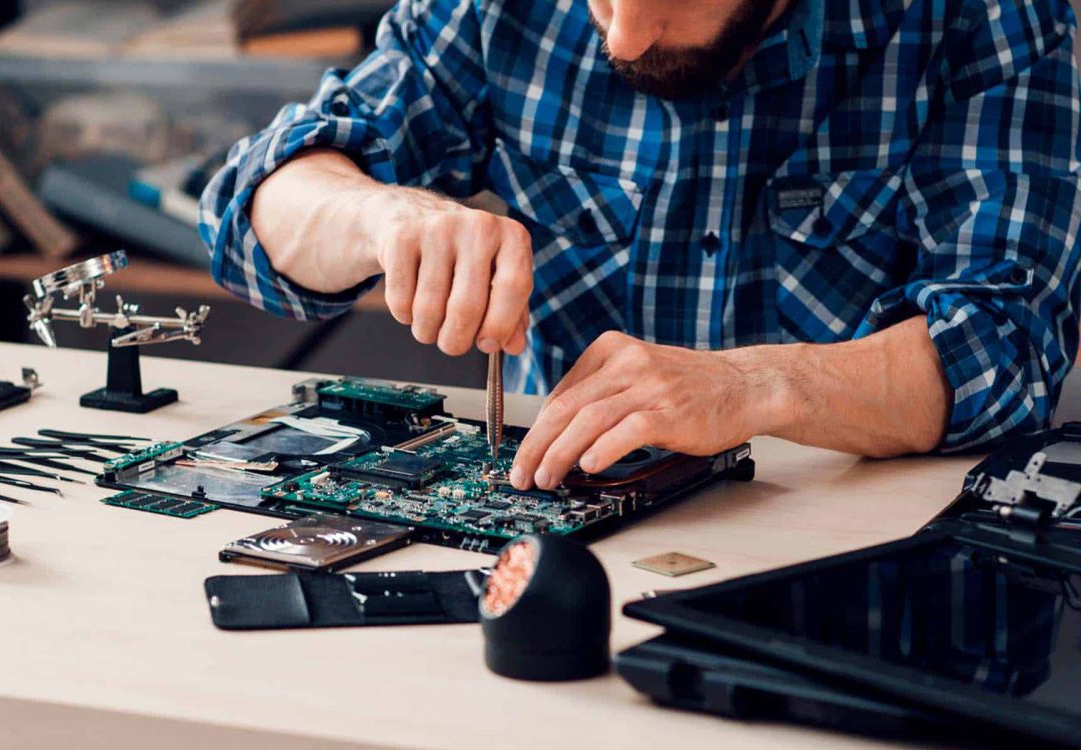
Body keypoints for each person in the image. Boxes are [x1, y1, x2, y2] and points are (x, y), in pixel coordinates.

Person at [199, 0, 1081, 492]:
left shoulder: (984, 18)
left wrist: (758, 384)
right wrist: (382, 217)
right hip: (561, 525)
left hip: (849, 547)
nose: (621, 37)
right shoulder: (497, 10)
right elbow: (246, 209)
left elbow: (1008, 348)